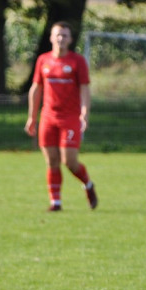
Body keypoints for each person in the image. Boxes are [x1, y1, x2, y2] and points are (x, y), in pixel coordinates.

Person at [25, 21, 98, 212]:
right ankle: (55, 202)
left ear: (70, 39)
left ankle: (88, 184)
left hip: (70, 118)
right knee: (51, 161)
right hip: (48, 117)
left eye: (64, 35)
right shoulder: (43, 60)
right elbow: (36, 88)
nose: (60, 38)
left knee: (69, 161)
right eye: (57, 34)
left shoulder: (77, 61)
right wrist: (32, 117)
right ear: (50, 37)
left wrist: (84, 113)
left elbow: (84, 89)